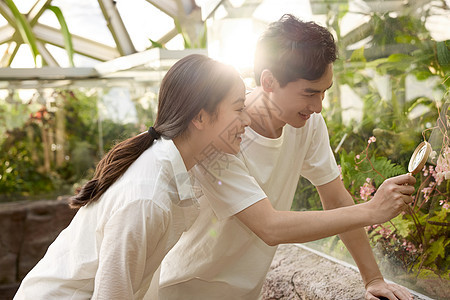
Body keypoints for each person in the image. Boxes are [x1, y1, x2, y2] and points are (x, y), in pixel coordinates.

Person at [158, 15, 416, 300]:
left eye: (324, 93)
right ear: (269, 81)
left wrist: (374, 279)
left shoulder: (307, 123)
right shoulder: (221, 133)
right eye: (310, 93)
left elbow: (335, 199)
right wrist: (372, 210)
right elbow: (269, 226)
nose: (318, 106)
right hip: (183, 291)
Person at [14, 54, 251, 299]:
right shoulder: (147, 198)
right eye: (239, 108)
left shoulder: (167, 168)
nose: (248, 119)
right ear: (200, 117)